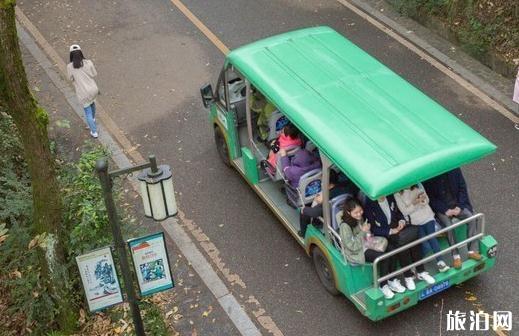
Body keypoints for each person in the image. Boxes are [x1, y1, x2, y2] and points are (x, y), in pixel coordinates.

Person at [365, 195, 435, 290]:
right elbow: (373, 228)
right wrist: (390, 231)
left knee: (413, 239)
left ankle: (420, 271)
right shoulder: (370, 205)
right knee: (402, 243)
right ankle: (408, 276)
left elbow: (398, 213)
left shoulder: (389, 197)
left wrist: (401, 221)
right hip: (386, 234)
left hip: (398, 228)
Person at [339, 198, 403, 299]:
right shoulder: (345, 226)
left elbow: (367, 235)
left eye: (360, 211)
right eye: (356, 212)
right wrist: (363, 232)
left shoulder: (359, 219)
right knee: (383, 258)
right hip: (357, 251)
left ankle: (391, 279)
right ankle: (383, 285)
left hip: (367, 243)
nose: (359, 214)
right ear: (348, 212)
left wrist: (368, 232)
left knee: (391, 249)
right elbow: (351, 246)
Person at [423, 168, 480, 269]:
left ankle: (472, 250)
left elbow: (462, 187)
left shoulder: (455, 169)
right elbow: (431, 198)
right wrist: (445, 210)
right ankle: (456, 256)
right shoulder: (429, 175)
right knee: (448, 226)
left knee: (471, 217)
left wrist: (460, 206)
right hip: (443, 208)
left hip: (457, 204)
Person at [394, 185, 450, 273]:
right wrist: (415, 203)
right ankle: (416, 264)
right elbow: (404, 211)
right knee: (426, 246)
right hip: (415, 222)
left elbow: (427, 200)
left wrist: (422, 200)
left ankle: (441, 262)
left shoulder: (418, 184)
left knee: (432, 238)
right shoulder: (397, 193)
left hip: (428, 216)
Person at [298, 170, 351, 237]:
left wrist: (304, 209)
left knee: (303, 212)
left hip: (328, 218)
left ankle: (303, 234)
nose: (321, 183)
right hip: (340, 212)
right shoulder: (344, 187)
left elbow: (315, 212)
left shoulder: (327, 198)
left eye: (323, 182)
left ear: (331, 185)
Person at [67, 44, 100, 138]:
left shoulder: (70, 67)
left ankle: (94, 132)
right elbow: (94, 74)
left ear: (71, 55)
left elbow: (70, 79)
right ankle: (93, 120)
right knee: (92, 103)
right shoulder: (88, 62)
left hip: (83, 92)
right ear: (81, 53)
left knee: (87, 112)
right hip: (93, 89)